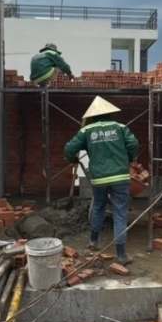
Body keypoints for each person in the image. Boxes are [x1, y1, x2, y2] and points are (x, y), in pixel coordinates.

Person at [64, 96, 139, 265]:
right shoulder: (120, 127)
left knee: (98, 207)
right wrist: (129, 158)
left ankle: (93, 241)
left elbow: (69, 148)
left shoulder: (87, 130)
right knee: (120, 213)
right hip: (120, 177)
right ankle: (121, 255)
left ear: (92, 115)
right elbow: (133, 144)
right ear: (110, 113)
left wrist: (72, 159)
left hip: (99, 178)